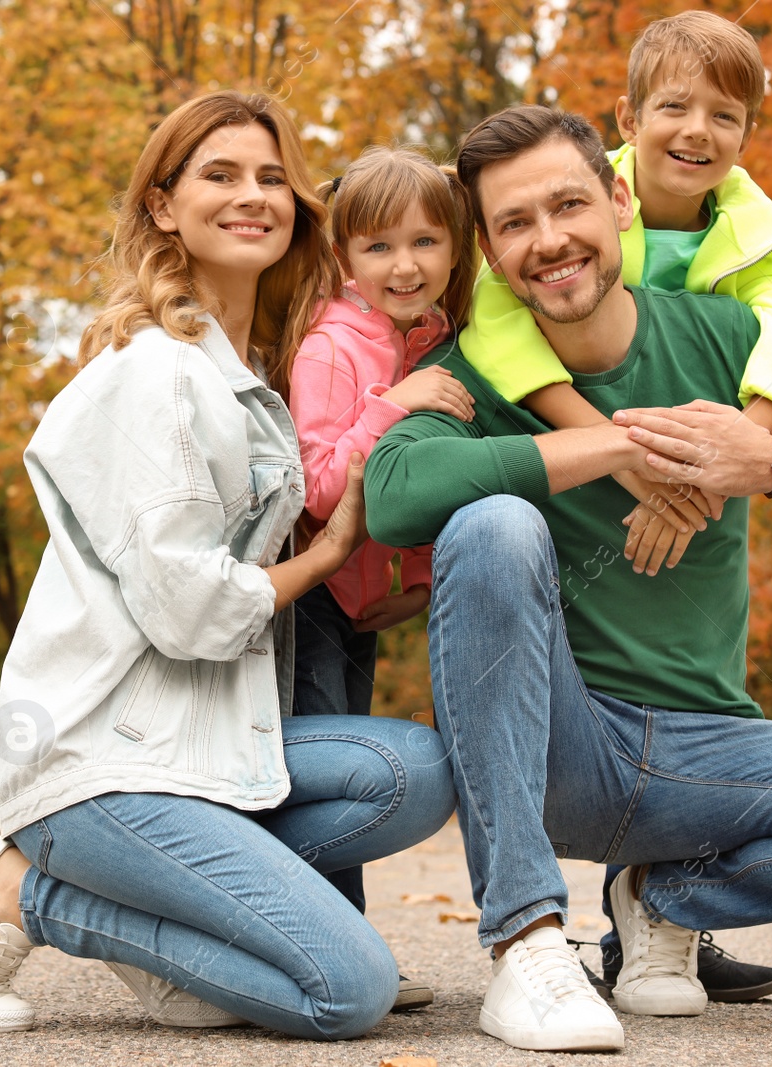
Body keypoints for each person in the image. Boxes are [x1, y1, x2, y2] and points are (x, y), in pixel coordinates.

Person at [365, 104, 772, 1053]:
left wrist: (770, 463)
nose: (549, 240)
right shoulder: (476, 373)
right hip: (556, 743)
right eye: (514, 224)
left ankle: (662, 893)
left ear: (617, 199)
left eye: (569, 205)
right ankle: (526, 939)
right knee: (492, 524)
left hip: (707, 753)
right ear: (486, 251)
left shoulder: (732, 341)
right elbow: (396, 496)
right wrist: (613, 444)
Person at [0, 91, 458, 1041]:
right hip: (102, 763)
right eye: (220, 175)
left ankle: (185, 921)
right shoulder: (157, 371)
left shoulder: (253, 362)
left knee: (416, 771)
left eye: (269, 177)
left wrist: (380, 575)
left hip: (208, 747)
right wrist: (334, 549)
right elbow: (193, 612)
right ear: (164, 206)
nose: (252, 195)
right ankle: (14, 889)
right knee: (349, 989)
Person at [459, 10, 772, 1005]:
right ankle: (558, 923)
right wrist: (623, 456)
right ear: (626, 119)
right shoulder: (572, 204)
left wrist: (730, 460)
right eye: (673, 106)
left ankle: (662, 902)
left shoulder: (748, 235)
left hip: (696, 518)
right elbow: (499, 324)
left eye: (726, 114)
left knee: (690, 675)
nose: (698, 131)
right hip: (600, 504)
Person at [284, 145, 478, 1012]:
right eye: (379, 247)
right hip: (319, 599)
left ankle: (340, 942)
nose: (406, 265)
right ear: (343, 258)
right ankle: (323, 945)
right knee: (332, 764)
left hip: (372, 600)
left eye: (426, 242)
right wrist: (391, 405)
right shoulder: (333, 348)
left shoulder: (438, 336)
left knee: (348, 752)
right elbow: (321, 487)